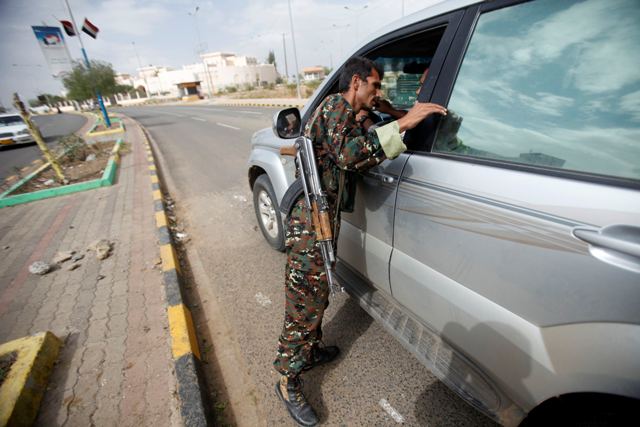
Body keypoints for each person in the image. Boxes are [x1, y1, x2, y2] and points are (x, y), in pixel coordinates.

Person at [273, 56, 446, 426]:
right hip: (309, 222)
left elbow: (356, 134)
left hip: (320, 218)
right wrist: (403, 122)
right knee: (305, 299)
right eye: (374, 86)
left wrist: (387, 111)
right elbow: (350, 155)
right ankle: (287, 377)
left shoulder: (345, 113)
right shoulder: (336, 105)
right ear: (356, 82)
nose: (376, 92)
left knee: (317, 292)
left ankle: (312, 348)